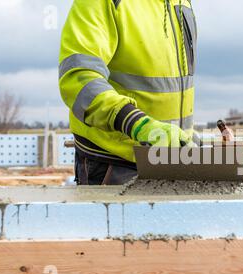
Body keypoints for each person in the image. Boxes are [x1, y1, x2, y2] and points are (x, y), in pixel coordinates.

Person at [59, 0, 197, 185]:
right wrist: (139, 125)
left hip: (172, 160)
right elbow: (79, 78)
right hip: (115, 163)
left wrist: (188, 138)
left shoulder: (181, 3)